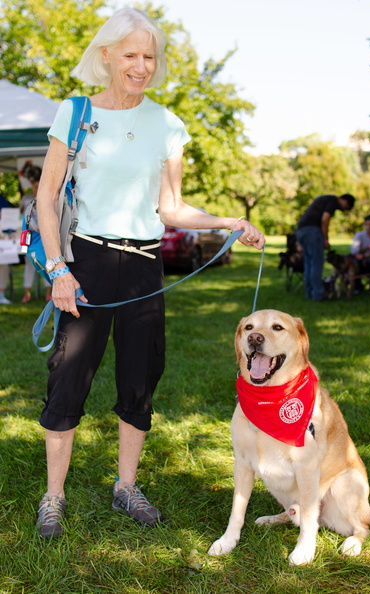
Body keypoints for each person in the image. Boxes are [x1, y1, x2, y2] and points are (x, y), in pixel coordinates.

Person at [34, 7, 265, 538]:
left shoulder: (167, 123)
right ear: (108, 55)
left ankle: (126, 486)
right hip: (85, 262)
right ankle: (53, 496)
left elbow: (172, 208)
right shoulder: (74, 112)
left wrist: (228, 221)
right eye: (131, 55)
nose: (140, 66)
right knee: (68, 376)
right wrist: (58, 268)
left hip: (143, 264)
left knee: (141, 377)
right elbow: (47, 198)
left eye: (149, 56)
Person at [296, 193, 355, 301]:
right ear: (345, 201)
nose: (343, 209)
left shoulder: (324, 198)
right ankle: (318, 294)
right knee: (317, 263)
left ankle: (309, 293)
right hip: (312, 232)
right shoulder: (333, 201)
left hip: (301, 230)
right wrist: (326, 239)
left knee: (309, 263)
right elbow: (325, 219)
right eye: (346, 208)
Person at [19, 165, 52, 303]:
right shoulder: (26, 198)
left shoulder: (49, 197)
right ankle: (27, 292)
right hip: (30, 235)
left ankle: (49, 292)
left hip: (45, 234)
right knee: (30, 264)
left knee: (48, 262)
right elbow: (21, 214)